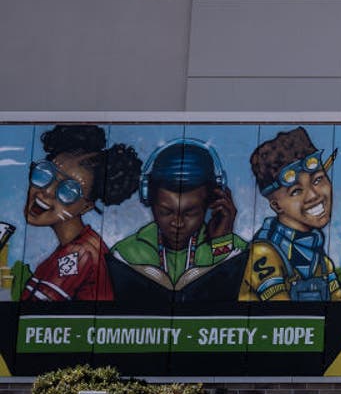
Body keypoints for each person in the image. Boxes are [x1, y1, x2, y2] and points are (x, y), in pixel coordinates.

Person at [22, 125, 141, 301]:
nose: (47, 191)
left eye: (68, 190)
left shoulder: (79, 254)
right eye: (45, 174)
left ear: (86, 207)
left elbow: (33, 317)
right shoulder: (82, 247)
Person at [111, 138, 248, 293]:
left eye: (190, 213)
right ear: (149, 199)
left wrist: (222, 245)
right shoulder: (125, 253)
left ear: (213, 202)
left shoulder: (237, 250)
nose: (177, 222)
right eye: (166, 212)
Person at [239, 127, 341, 301]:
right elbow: (285, 318)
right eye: (296, 191)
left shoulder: (322, 263)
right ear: (276, 205)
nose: (313, 195)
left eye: (318, 180)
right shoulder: (263, 254)